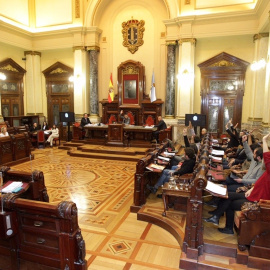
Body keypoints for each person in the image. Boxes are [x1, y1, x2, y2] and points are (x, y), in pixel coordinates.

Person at [204, 132, 270, 234]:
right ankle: (218, 219)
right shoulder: (263, 169)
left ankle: (224, 224)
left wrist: (265, 140)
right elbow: (260, 182)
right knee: (228, 196)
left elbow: (267, 158)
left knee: (230, 201)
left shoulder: (266, 169)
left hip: (258, 201)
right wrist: (252, 189)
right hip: (252, 193)